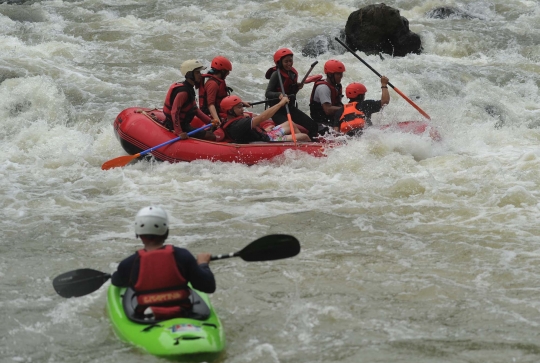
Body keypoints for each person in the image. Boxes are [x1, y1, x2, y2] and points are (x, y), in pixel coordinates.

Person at [111, 206, 215, 320]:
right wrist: (203, 264)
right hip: (183, 312)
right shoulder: (183, 256)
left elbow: (117, 282)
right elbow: (208, 286)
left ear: (138, 233)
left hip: (147, 315)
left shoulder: (129, 264)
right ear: (166, 232)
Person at [264, 48, 318, 139]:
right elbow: (268, 93)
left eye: (290, 61)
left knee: (313, 125)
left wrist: (297, 86)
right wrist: (279, 95)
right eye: (286, 61)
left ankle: (312, 143)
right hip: (277, 111)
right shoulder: (276, 74)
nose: (289, 63)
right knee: (289, 129)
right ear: (280, 62)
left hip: (289, 107)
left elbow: (291, 90)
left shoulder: (292, 73)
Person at [162, 59, 219, 141]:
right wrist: (179, 132)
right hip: (177, 125)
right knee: (211, 136)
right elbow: (174, 112)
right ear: (189, 74)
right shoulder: (183, 92)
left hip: (184, 124)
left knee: (210, 132)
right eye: (197, 72)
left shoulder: (189, 88)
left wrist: (210, 121)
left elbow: (195, 109)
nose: (200, 75)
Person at [219, 95, 311, 143]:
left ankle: (299, 148)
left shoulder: (229, 119)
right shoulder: (239, 124)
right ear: (230, 111)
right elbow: (263, 117)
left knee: (290, 123)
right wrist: (280, 104)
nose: (242, 109)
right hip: (268, 140)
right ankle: (309, 147)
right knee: (305, 137)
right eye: (239, 107)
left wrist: (263, 130)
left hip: (264, 134)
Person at [199, 56, 250, 121]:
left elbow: (224, 99)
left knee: (252, 116)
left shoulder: (218, 81)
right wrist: (217, 120)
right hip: (213, 114)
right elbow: (210, 105)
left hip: (221, 111)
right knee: (247, 117)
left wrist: (241, 102)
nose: (228, 73)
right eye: (227, 71)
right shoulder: (213, 84)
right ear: (222, 71)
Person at [309, 59, 346, 134]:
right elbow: (328, 110)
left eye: (341, 74)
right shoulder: (323, 88)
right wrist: (346, 108)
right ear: (330, 74)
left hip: (332, 120)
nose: (341, 76)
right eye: (338, 74)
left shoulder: (336, 86)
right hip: (321, 123)